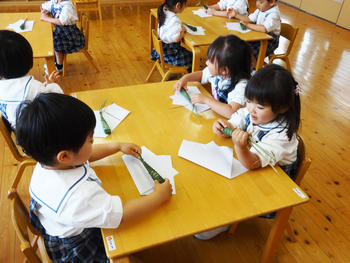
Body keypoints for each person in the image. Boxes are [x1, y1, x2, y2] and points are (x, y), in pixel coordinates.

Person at [15, 93, 173, 262]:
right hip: (78, 247)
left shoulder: (48, 161)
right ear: (65, 156)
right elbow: (122, 215)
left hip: (60, 224)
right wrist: (158, 197)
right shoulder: (80, 197)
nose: (92, 143)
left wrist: (117, 146)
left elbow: (86, 156)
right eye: (90, 140)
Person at [196, 64, 300, 240]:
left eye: (259, 106)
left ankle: (231, 217)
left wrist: (240, 147)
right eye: (249, 100)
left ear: (282, 108)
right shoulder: (254, 112)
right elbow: (239, 117)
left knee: (205, 227)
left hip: (270, 189)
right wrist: (226, 126)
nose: (251, 108)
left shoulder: (282, 136)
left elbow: (251, 163)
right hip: (252, 170)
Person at [174, 35, 252, 118]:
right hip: (218, 117)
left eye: (210, 61)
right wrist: (186, 78)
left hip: (234, 126)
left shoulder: (241, 86)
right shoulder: (218, 73)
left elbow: (232, 112)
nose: (206, 63)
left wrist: (207, 100)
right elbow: (202, 75)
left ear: (225, 70)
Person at [0, 30, 62, 128]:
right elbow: (58, 102)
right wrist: (52, 85)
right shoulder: (33, 87)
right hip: (43, 135)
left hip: (21, 135)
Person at [40, 0, 85, 73]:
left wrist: (46, 18)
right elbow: (44, 6)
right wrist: (45, 10)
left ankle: (59, 67)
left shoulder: (67, 6)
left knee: (57, 45)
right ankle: (55, 62)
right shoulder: (55, 2)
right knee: (52, 40)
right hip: (61, 32)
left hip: (71, 36)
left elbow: (61, 22)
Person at [151, 0, 193, 69]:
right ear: (178, 5)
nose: (185, 7)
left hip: (161, 50)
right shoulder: (174, 19)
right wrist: (182, 32)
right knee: (194, 57)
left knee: (189, 54)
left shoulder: (163, 11)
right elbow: (176, 39)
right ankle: (180, 72)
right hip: (171, 53)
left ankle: (176, 71)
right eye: (185, 4)